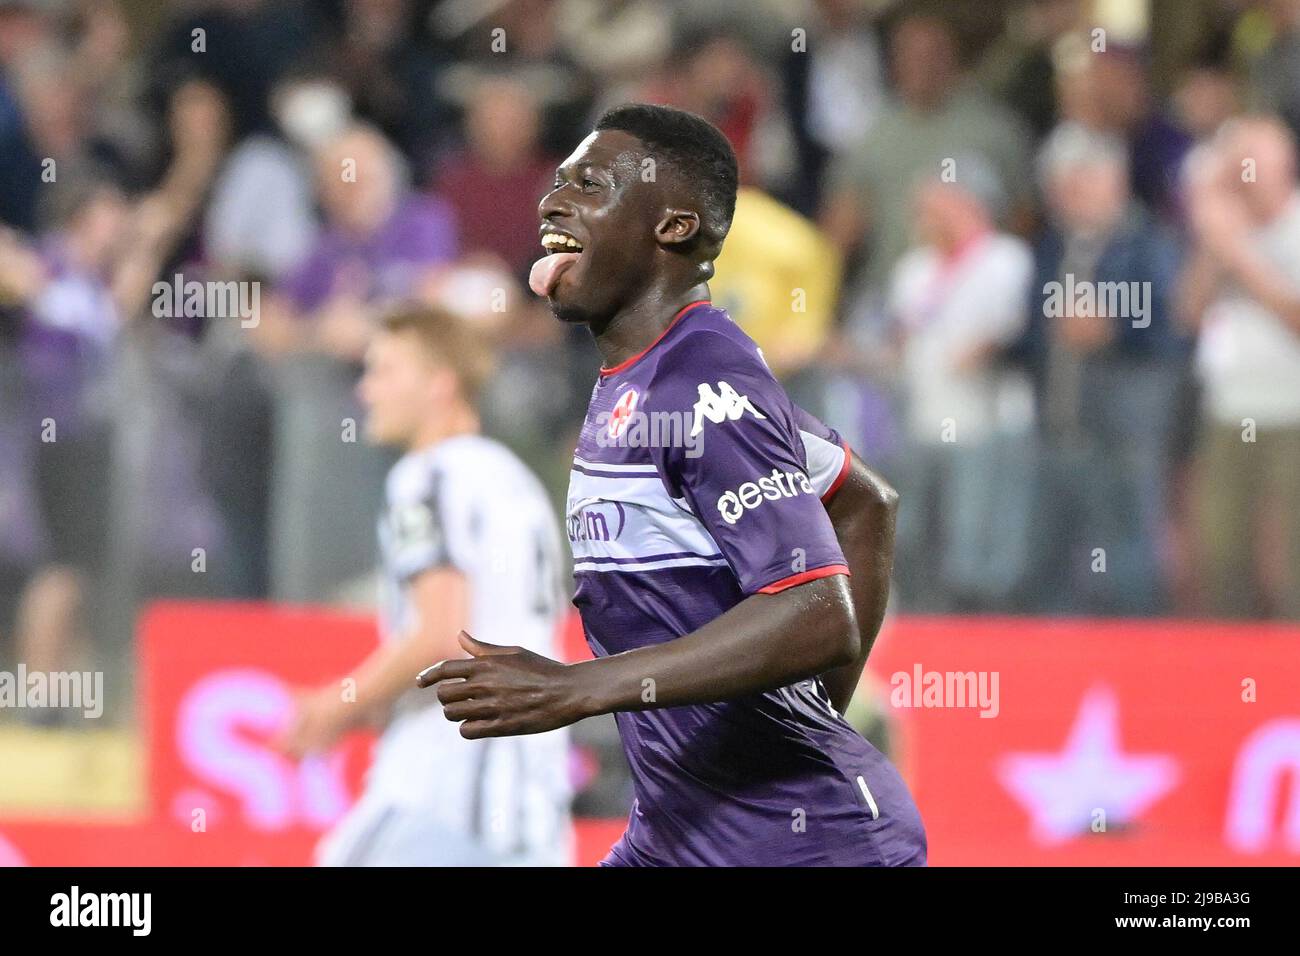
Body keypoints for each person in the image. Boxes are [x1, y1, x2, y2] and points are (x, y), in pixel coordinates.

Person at [418, 103, 926, 867]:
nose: (552, 202)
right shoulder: (649, 375)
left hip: (804, 844)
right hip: (679, 833)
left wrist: (577, 690)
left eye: (589, 185)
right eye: (556, 182)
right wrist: (793, 714)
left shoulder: (704, 379)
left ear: (674, 227)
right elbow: (864, 500)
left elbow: (818, 611)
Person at [277, 305, 572, 866]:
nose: (367, 391)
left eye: (385, 371)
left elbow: (440, 633)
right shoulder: (517, 483)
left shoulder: (426, 477)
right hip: (528, 784)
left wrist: (337, 705)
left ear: (440, 385)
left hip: (452, 780)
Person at [1180, 115, 1300, 618]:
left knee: (1292, 560)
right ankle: (1231, 671)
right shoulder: (1226, 228)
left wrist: (1238, 253)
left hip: (1292, 412)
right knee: (1223, 550)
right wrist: (1212, 248)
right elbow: (1187, 312)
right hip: (1229, 410)